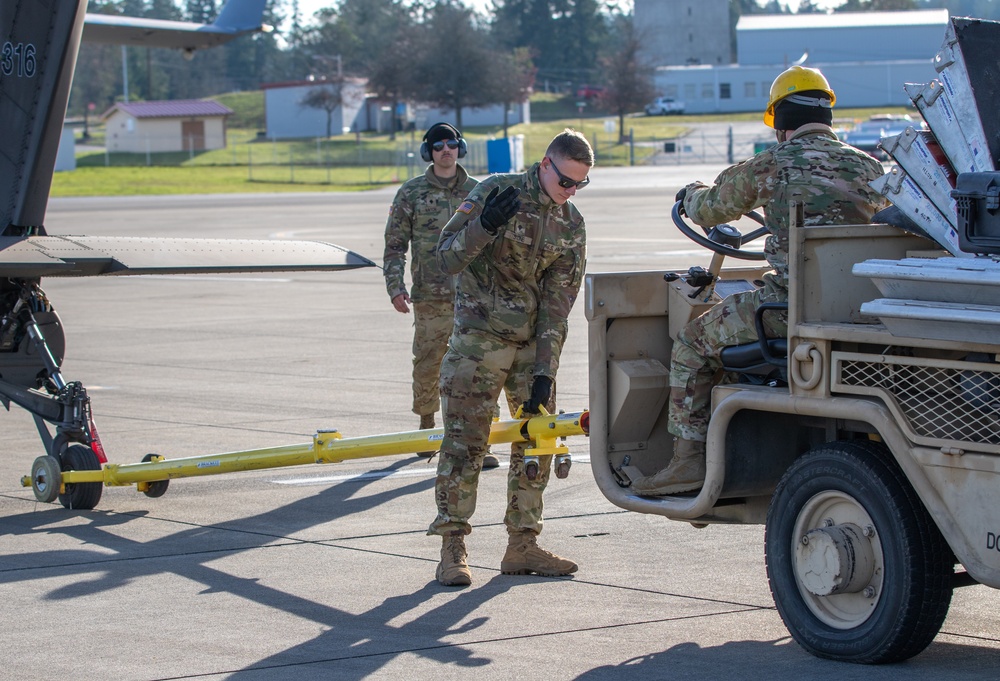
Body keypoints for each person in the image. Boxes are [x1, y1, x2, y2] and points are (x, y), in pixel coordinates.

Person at [631, 66, 888, 496]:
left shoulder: (772, 165)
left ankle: (688, 462)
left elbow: (710, 209)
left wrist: (691, 192)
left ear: (781, 120)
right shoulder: (871, 168)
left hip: (788, 311)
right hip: (861, 313)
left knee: (692, 343)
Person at [429, 129, 593, 586]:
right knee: (465, 445)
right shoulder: (494, 192)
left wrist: (546, 371)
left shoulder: (571, 224)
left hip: (529, 348)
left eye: (580, 185)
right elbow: (443, 260)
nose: (570, 192)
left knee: (536, 443)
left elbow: (558, 305)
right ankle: (453, 547)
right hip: (478, 342)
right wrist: (484, 228)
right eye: (565, 181)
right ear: (545, 164)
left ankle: (522, 544)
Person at [382, 122, 499, 468]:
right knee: (429, 361)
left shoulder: (480, 190)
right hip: (431, 296)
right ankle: (427, 425)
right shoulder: (411, 193)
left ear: (459, 147)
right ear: (428, 152)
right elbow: (393, 247)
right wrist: (395, 287)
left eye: (450, 143)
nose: (445, 150)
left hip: (475, 296)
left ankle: (481, 438)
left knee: (480, 368)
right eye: (437, 146)